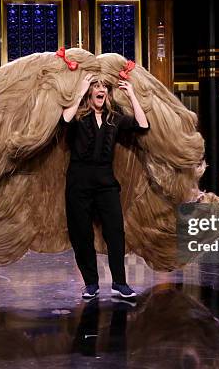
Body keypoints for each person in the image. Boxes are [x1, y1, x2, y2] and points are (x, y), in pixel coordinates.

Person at [61, 73, 149, 300]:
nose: (101, 90)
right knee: (81, 234)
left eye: (104, 88)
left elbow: (142, 124)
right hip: (78, 183)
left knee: (115, 232)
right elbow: (65, 121)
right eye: (96, 87)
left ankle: (119, 282)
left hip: (106, 183)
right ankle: (91, 283)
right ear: (90, 92)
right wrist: (80, 90)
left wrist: (131, 95)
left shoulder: (114, 119)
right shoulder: (79, 117)